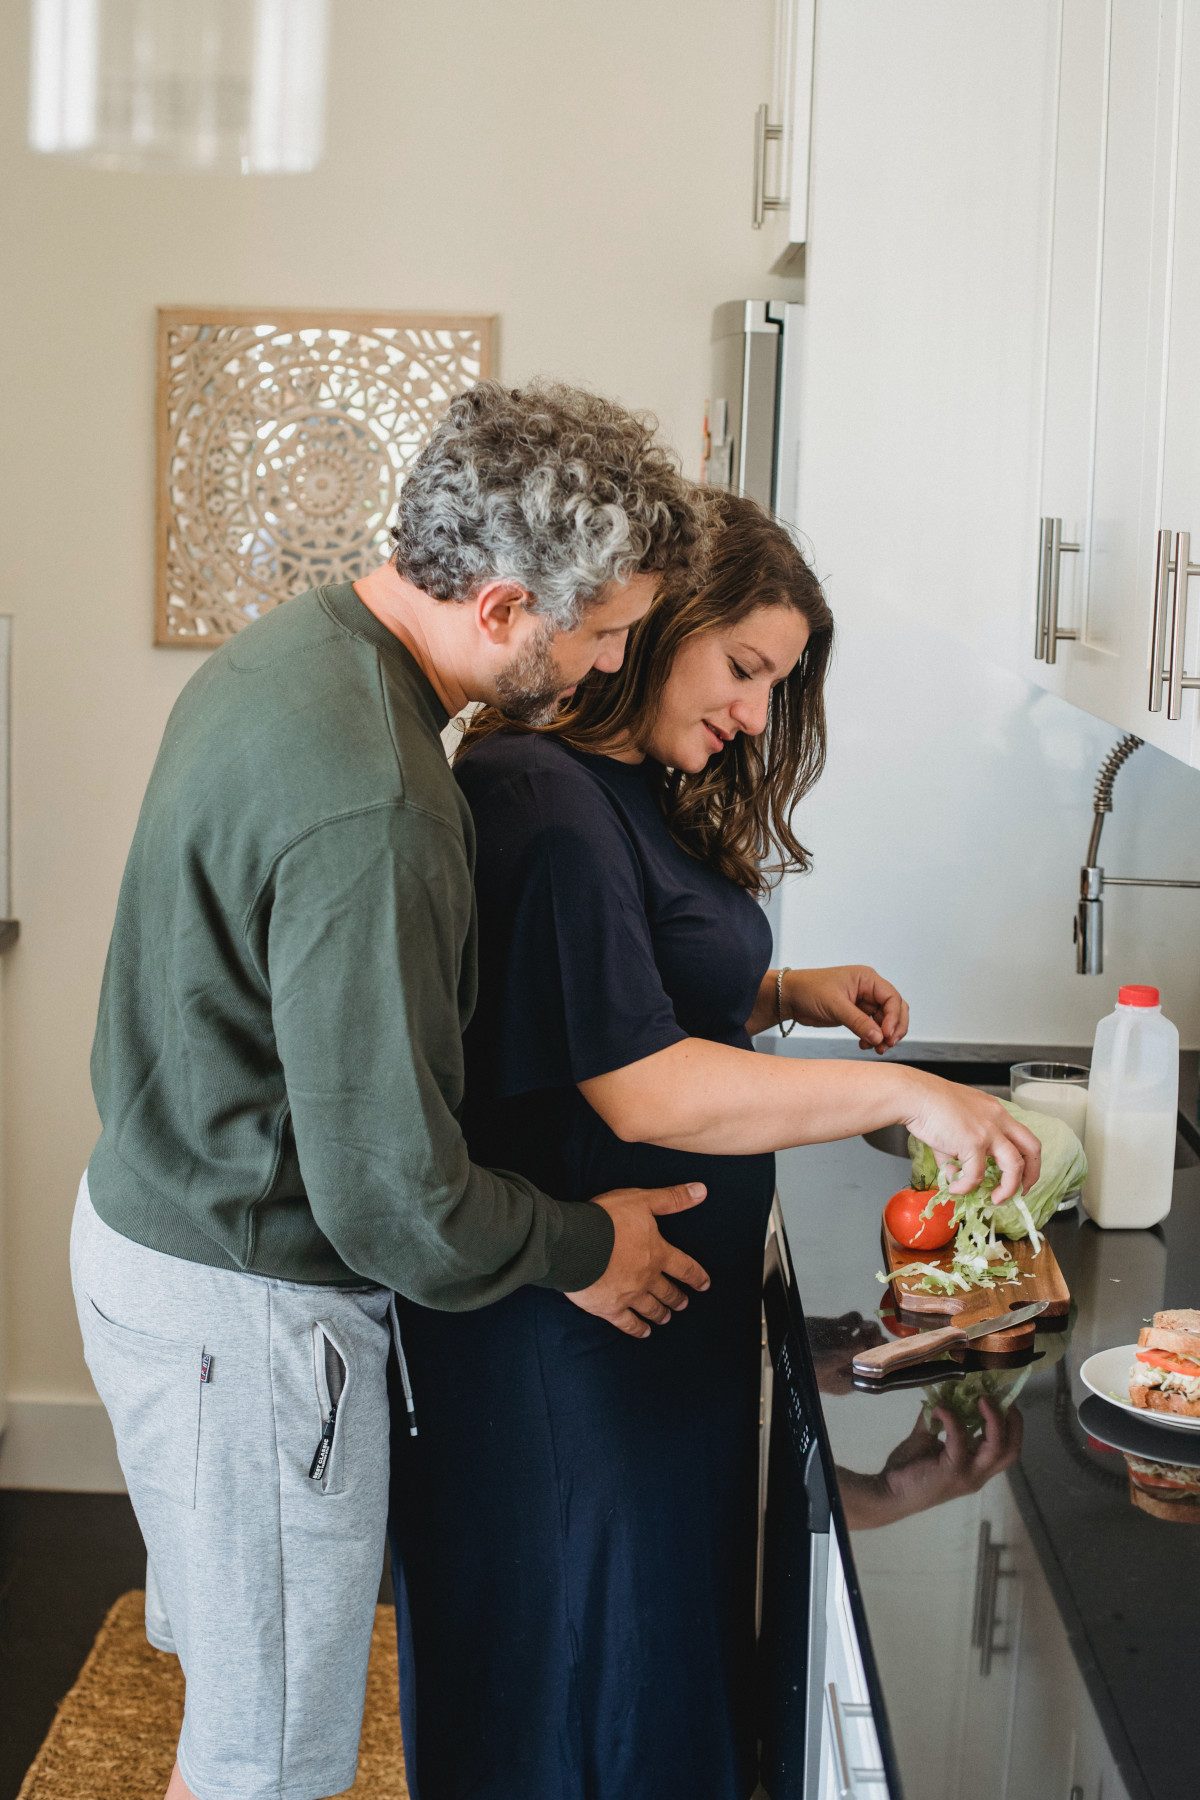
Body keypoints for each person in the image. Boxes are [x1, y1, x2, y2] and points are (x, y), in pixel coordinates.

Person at [70, 381, 714, 1800]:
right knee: (270, 1762)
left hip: (152, 1236)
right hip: (245, 1318)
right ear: (503, 607)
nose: (614, 664)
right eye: (604, 632)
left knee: (236, 1723)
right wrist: (585, 1245)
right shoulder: (380, 802)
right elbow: (392, 1202)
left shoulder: (297, 646)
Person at [387, 490, 1042, 1800]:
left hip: (651, 1334)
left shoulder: (628, 787)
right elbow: (639, 1087)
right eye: (743, 668)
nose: (754, 713)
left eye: (775, 685)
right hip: (562, 1340)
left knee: (653, 1685)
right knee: (584, 1705)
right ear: (661, 623)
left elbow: (621, 986)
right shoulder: (537, 795)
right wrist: (910, 1097)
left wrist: (783, 992)